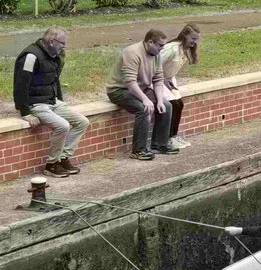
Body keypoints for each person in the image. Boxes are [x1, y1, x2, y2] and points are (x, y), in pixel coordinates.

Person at [13, 27, 89, 177]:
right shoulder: (31, 56)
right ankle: (51, 164)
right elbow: (21, 85)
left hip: (51, 101)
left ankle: (63, 158)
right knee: (63, 126)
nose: (64, 47)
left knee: (82, 122)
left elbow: (55, 81)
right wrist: (25, 112)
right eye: (62, 43)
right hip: (35, 104)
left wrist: (59, 100)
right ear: (52, 41)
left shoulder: (55, 55)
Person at [107, 29, 176, 160]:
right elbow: (130, 82)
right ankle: (138, 150)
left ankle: (159, 144)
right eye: (160, 45)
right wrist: (145, 99)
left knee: (167, 105)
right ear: (150, 42)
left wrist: (160, 101)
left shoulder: (156, 54)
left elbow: (158, 79)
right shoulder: (132, 52)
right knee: (143, 108)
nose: (162, 48)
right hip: (119, 90)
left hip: (140, 88)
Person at [159, 24, 200, 150]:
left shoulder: (185, 49)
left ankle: (173, 136)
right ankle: (167, 138)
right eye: (192, 38)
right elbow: (152, 64)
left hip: (168, 79)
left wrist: (168, 79)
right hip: (156, 79)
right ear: (184, 35)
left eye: (196, 39)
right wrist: (162, 79)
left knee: (180, 104)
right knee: (173, 105)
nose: (194, 42)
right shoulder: (171, 48)